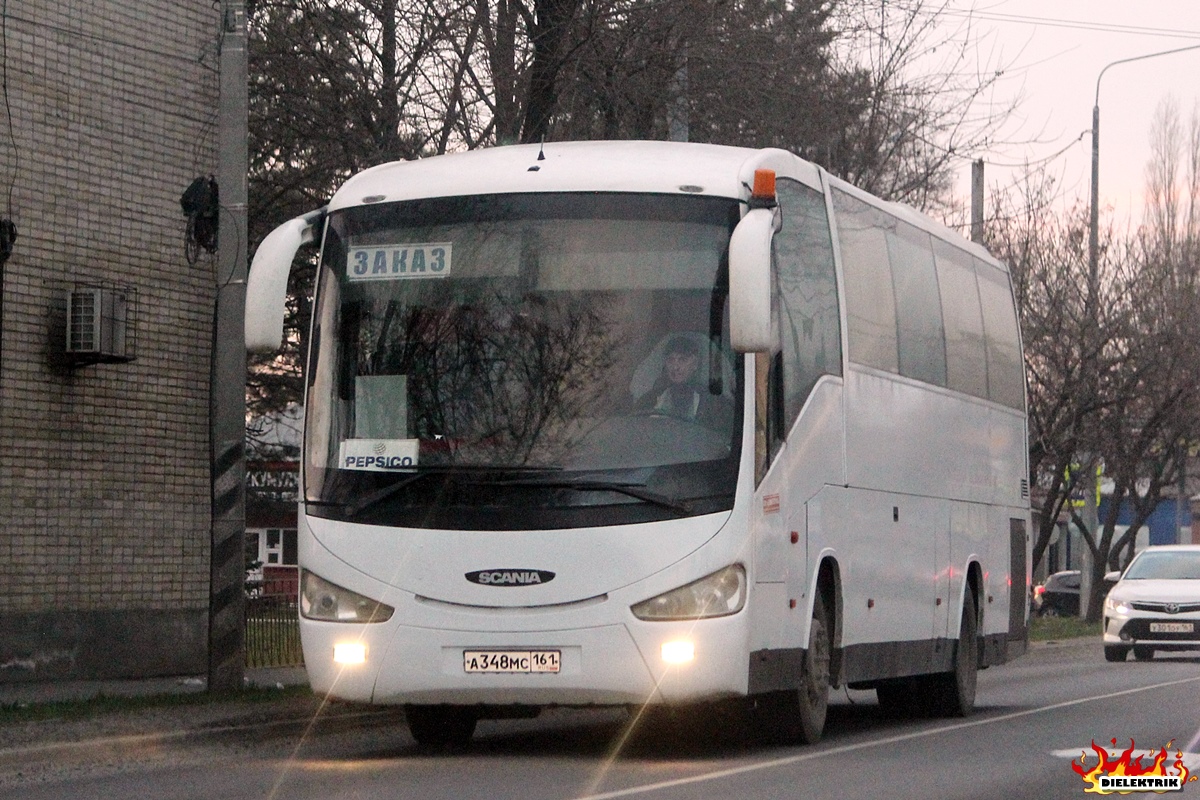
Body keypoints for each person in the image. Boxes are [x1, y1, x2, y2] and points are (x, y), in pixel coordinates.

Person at [635, 335, 732, 430]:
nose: (675, 367)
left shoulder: (714, 403)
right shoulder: (649, 400)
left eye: (682, 360)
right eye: (671, 360)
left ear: (695, 364)